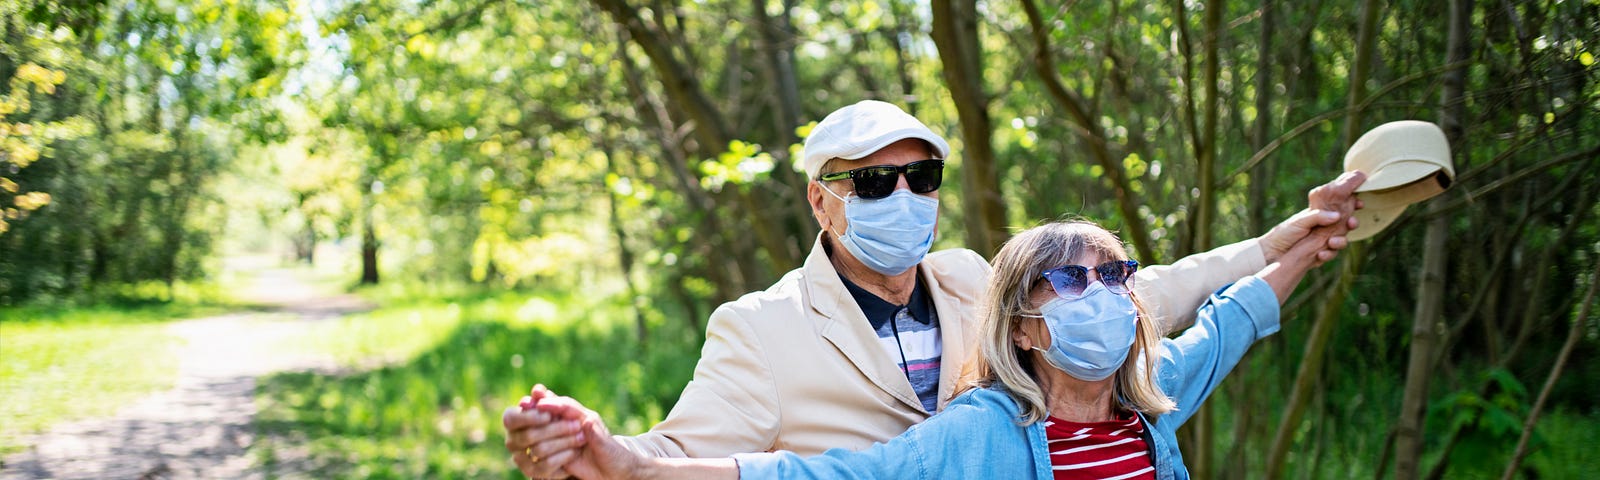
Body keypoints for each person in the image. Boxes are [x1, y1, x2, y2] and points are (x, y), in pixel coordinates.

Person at [503, 99, 1364, 478]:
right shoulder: (759, 327)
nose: (905, 199)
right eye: (874, 184)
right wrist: (593, 454)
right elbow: (679, 457)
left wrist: (1272, 245)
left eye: (922, 177)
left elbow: (1144, 301)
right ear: (821, 199)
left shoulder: (965, 279)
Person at [523, 216, 1351, 479]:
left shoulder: (1153, 394)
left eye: (1113, 277)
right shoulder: (979, 434)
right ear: (1023, 326)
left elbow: (1232, 318)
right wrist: (632, 466)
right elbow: (815, 475)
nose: (1098, 296)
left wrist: (1311, 242)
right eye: (1067, 282)